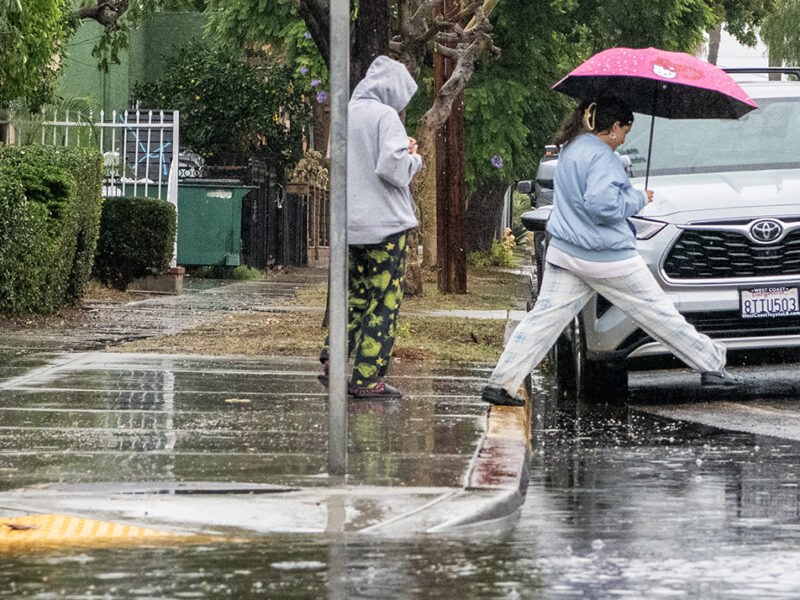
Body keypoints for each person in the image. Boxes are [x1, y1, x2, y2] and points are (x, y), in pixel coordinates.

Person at [482, 96, 741, 406]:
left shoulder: (571, 149)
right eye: (625, 132)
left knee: (543, 321)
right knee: (658, 313)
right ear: (615, 126)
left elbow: (584, 194)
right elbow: (603, 205)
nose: (623, 140)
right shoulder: (602, 157)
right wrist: (638, 199)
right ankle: (711, 365)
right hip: (608, 256)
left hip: (566, 253)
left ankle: (502, 382)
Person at [319, 55, 422, 399]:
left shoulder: (344, 114)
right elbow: (392, 169)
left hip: (351, 224)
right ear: (392, 91)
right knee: (384, 302)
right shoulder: (385, 116)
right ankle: (367, 379)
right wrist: (413, 157)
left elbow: (341, 161)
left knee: (356, 297)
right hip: (385, 227)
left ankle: (332, 360)